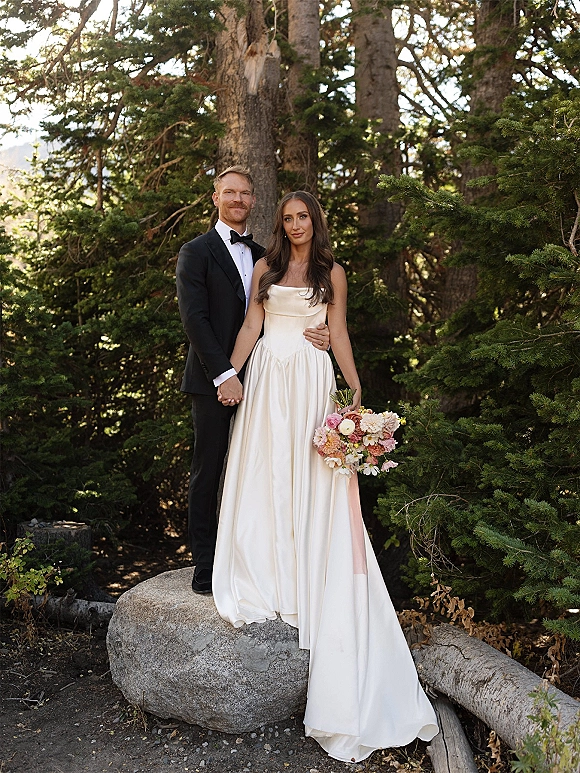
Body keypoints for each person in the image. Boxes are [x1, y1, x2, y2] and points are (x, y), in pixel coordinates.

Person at [212, 191, 438, 763]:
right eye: (287, 218)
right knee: (266, 472)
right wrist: (229, 373)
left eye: (303, 216)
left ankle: (309, 565)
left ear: (315, 220)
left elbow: (336, 331)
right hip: (268, 380)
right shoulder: (265, 267)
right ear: (280, 224)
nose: (295, 226)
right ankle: (269, 569)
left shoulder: (332, 271)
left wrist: (354, 387)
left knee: (313, 477)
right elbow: (250, 327)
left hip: (311, 380)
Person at [176, 168, 329, 594]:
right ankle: (206, 563)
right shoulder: (196, 251)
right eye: (230, 192)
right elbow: (195, 320)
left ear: (254, 200)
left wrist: (324, 330)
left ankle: (261, 556)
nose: (237, 199)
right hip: (213, 378)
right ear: (215, 198)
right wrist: (225, 373)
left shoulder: (268, 256)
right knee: (209, 469)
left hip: (268, 378)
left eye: (245, 193)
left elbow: (286, 313)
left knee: (263, 467)